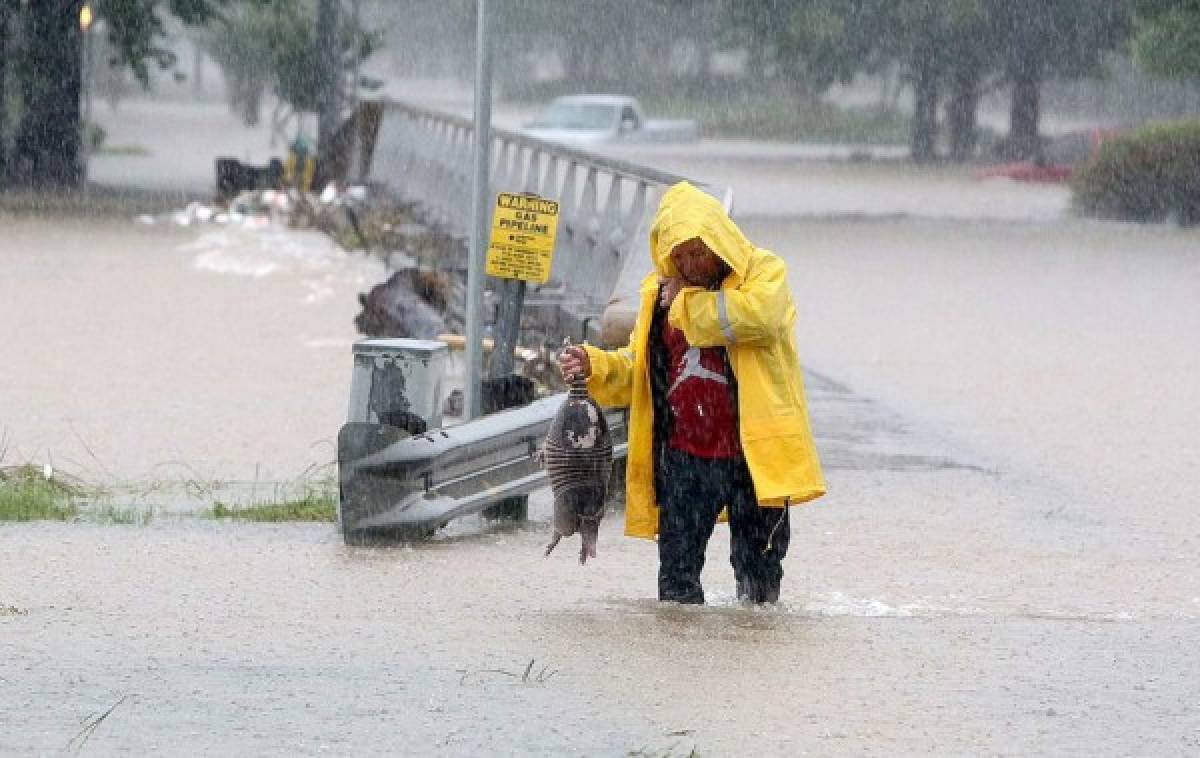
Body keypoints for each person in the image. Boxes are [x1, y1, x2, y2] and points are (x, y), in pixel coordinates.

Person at [558, 181, 825, 604]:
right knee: (676, 585)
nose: (690, 264)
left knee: (759, 586)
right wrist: (596, 364)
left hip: (754, 459)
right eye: (678, 256)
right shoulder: (659, 295)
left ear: (719, 243)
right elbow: (639, 372)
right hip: (685, 459)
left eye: (697, 252)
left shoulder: (764, 274)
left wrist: (686, 303)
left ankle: (751, 663)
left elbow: (757, 320)